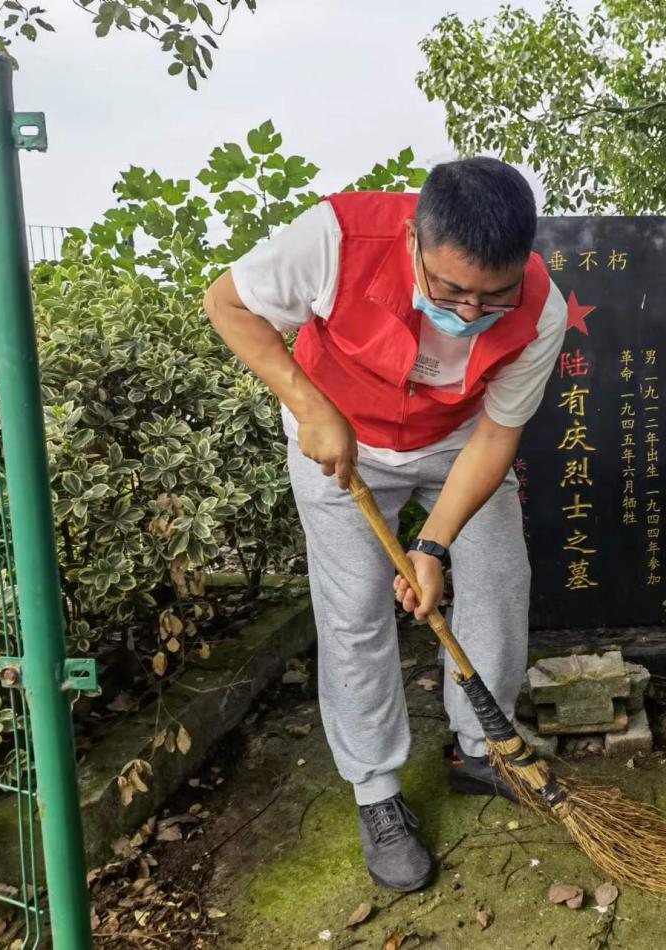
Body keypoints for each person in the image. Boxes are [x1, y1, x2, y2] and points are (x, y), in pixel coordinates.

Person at [203, 157, 565, 892]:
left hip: (457, 440)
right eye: (451, 290)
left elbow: (497, 438)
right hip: (340, 439)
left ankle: (482, 747)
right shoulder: (336, 238)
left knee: (497, 577)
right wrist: (310, 407)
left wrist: (432, 545)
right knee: (356, 611)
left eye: (491, 297)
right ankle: (377, 791)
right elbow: (228, 304)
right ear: (412, 240)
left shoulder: (543, 310)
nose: (468, 314)